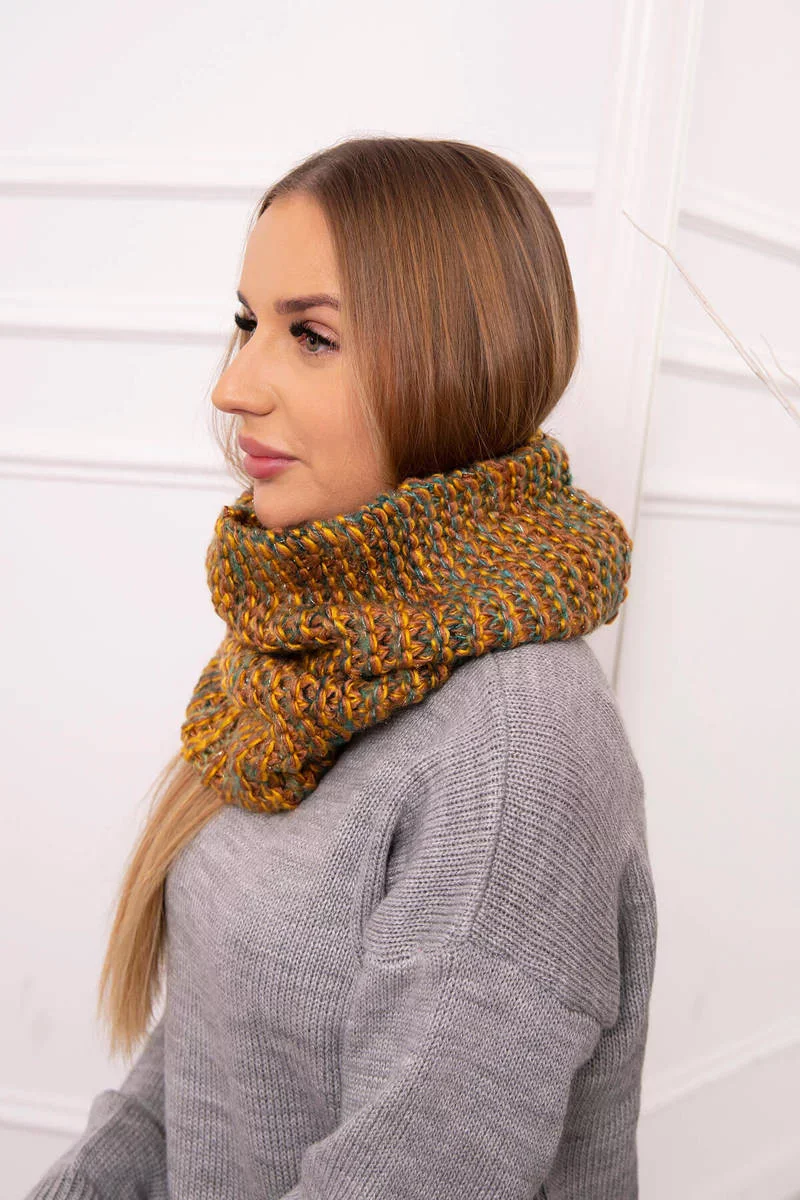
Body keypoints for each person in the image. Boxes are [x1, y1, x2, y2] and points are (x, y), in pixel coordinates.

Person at [26, 135, 658, 1200]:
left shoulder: (516, 747)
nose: (234, 386)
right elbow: (200, 1069)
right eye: (247, 324)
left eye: (311, 336)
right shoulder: (306, 648)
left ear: (454, 362)